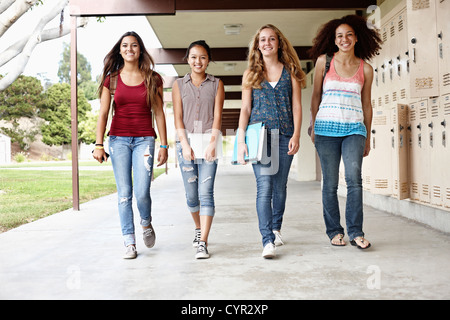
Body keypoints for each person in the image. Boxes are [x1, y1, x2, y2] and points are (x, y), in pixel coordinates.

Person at [93, 31, 168, 259]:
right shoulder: (112, 80)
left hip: (145, 139)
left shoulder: (152, 78)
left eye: (134, 45)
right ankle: (129, 242)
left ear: (140, 50)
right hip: (118, 141)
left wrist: (164, 145)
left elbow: (159, 112)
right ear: (120, 50)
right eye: (125, 46)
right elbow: (104, 112)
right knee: (124, 194)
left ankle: (146, 222)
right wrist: (98, 144)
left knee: (142, 191)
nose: (129, 49)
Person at [309, 15, 382, 249]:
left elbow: (367, 104)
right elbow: (316, 96)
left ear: (357, 37)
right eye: (340, 35)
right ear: (334, 40)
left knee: (354, 180)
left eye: (349, 34)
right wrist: (313, 125)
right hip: (326, 130)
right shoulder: (324, 62)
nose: (344, 39)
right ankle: (334, 231)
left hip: (354, 129)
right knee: (330, 184)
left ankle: (356, 231)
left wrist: (368, 136)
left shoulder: (366, 69)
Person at [237, 24, 305, 259]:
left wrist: (296, 135)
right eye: (262, 40)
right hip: (259, 135)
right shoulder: (250, 74)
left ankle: (276, 228)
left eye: (271, 39)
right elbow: (245, 108)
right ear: (257, 45)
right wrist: (241, 138)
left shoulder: (291, 71)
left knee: (280, 187)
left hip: (285, 134)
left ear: (279, 43)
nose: (267, 43)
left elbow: (296, 106)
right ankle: (267, 240)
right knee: (264, 187)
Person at [172, 40, 224, 259]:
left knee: (206, 193)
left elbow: (218, 115)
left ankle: (203, 241)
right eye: (193, 57)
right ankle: (197, 227)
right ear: (187, 59)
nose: (198, 61)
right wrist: (184, 145)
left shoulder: (217, 84)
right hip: (185, 143)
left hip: (209, 141)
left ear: (208, 60)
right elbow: (177, 117)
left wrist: (213, 142)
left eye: (202, 57)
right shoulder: (178, 84)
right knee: (192, 195)